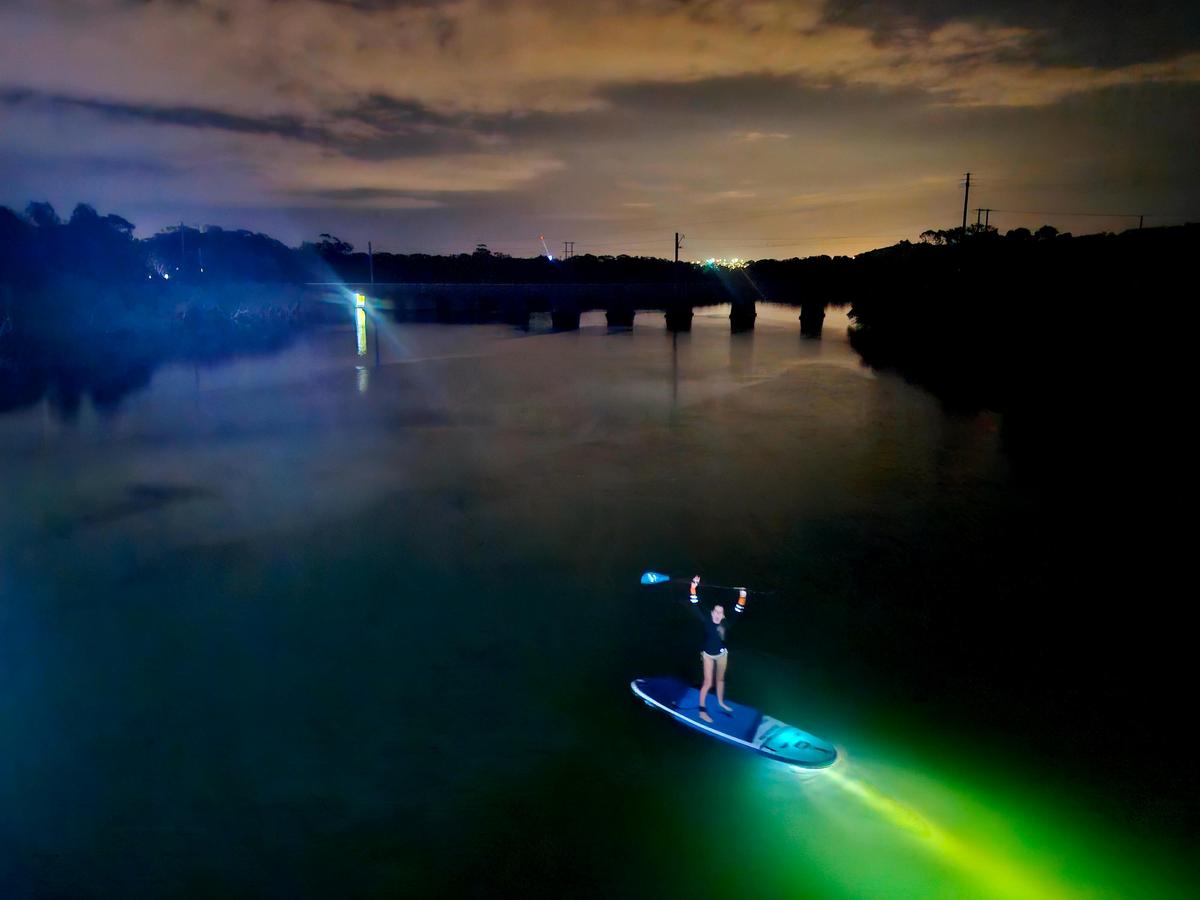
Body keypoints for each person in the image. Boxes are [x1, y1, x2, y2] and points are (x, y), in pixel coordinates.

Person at [687, 575, 738, 723]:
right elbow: (694, 603)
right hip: (708, 655)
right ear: (711, 612)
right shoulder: (706, 620)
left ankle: (721, 702)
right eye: (715, 611)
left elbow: (738, 611)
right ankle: (702, 712)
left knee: (720, 679)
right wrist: (693, 586)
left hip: (722, 655)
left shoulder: (725, 624)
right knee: (708, 682)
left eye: (720, 613)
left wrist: (742, 596)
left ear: (723, 616)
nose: (717, 614)